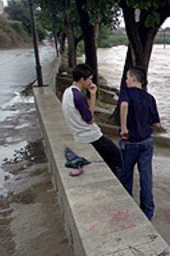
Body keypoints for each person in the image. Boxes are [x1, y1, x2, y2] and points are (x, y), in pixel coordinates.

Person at [61, 64, 122, 177]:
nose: (90, 81)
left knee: (109, 157)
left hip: (79, 134)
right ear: (81, 79)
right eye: (89, 79)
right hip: (90, 135)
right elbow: (90, 118)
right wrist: (93, 96)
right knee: (118, 156)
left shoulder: (68, 92)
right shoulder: (78, 97)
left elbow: (86, 114)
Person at [119, 67, 161, 220]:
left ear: (134, 80)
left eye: (128, 78)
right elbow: (156, 123)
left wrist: (124, 127)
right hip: (147, 142)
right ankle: (147, 213)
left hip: (130, 142)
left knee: (126, 176)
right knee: (146, 178)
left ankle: (127, 208)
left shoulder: (127, 92)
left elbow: (124, 106)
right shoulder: (150, 98)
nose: (126, 81)